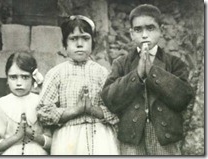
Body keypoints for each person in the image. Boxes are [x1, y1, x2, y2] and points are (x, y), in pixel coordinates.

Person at [101, 4, 194, 155]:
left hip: (165, 139)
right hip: (131, 140)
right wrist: (136, 75)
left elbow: (183, 98)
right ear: (131, 33)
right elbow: (110, 100)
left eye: (150, 28)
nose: (144, 35)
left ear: (161, 31)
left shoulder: (175, 63)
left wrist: (153, 72)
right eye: (138, 30)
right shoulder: (121, 63)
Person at [37, 15, 120, 155]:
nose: (79, 44)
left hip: (100, 136)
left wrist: (92, 109)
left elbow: (116, 110)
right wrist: (77, 109)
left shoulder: (102, 73)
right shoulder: (56, 73)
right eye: (73, 39)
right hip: (68, 139)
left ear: (93, 42)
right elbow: (44, 112)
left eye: (85, 38)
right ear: (65, 44)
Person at [0, 52, 51, 155]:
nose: (19, 83)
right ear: (7, 79)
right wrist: (16, 137)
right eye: (13, 77)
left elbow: (55, 142)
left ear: (33, 78)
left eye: (25, 77)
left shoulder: (42, 103)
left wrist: (34, 135)